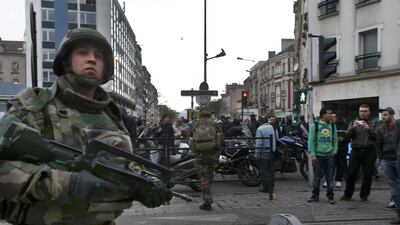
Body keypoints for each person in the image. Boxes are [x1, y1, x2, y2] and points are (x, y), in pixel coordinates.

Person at [0, 28, 172, 225]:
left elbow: (120, 165)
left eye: (98, 56)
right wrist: (67, 184)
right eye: (83, 53)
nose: (92, 59)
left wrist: (143, 185)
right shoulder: (35, 106)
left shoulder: (113, 115)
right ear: (66, 61)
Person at [341, 104, 377, 202]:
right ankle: (348, 195)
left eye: (365, 111)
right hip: (355, 151)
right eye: (361, 111)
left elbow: (377, 137)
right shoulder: (353, 122)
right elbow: (347, 137)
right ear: (359, 112)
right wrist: (353, 128)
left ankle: (364, 195)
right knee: (351, 173)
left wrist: (368, 129)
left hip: (369, 151)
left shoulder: (374, 123)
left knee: (368, 174)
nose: (363, 113)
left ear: (369, 112)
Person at [189, 110, 223, 211]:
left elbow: (189, 138)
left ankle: (207, 201)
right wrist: (217, 152)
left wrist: (195, 150)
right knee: (210, 175)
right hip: (212, 154)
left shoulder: (194, 124)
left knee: (203, 178)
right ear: (210, 115)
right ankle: (208, 196)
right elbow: (221, 139)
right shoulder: (215, 124)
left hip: (199, 155)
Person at [307, 107, 338, 205]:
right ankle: (315, 195)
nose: (331, 115)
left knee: (330, 177)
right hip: (318, 156)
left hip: (329, 155)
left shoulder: (332, 126)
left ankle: (330, 196)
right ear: (323, 115)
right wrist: (312, 154)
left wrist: (335, 150)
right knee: (316, 177)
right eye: (329, 113)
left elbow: (335, 139)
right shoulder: (314, 126)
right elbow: (311, 140)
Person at [376, 107, 399, 210]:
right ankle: (394, 201)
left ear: (392, 115)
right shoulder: (381, 128)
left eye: (385, 115)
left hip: (398, 158)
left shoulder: (398, 126)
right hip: (386, 159)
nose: (383, 117)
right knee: (392, 182)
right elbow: (378, 144)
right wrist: (381, 159)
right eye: (382, 115)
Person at [255, 116, 277, 196]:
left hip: (264, 151)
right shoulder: (271, 127)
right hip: (271, 151)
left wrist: (257, 153)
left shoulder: (260, 129)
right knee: (270, 170)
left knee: (264, 170)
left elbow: (259, 142)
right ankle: (271, 185)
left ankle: (266, 187)